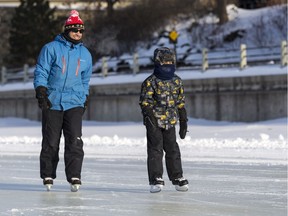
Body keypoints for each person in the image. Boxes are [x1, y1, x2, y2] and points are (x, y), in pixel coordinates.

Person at [33, 10, 92, 192]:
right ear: (67, 30)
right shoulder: (51, 48)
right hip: (53, 101)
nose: (78, 34)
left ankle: (74, 175)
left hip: (74, 102)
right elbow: (41, 71)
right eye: (74, 30)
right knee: (51, 141)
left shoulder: (85, 54)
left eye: (81, 31)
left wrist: (84, 97)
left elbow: (85, 79)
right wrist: (41, 90)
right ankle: (48, 174)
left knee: (74, 141)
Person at [139, 47, 189, 193]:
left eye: (170, 60)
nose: (167, 63)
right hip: (154, 121)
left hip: (170, 122)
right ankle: (156, 178)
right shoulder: (150, 82)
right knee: (155, 150)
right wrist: (149, 117)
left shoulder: (177, 81)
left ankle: (177, 177)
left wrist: (183, 119)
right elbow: (145, 102)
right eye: (164, 60)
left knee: (173, 149)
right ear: (158, 61)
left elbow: (180, 102)